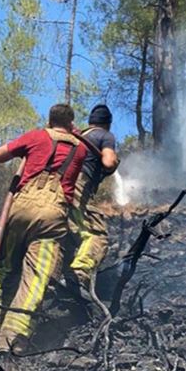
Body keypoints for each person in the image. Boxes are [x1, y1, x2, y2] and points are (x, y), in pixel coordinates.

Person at [0, 103, 87, 355]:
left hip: (19, 209)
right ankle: (13, 338)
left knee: (6, 266)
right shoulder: (80, 147)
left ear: (49, 120)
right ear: (71, 123)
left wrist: (26, 147)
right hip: (52, 214)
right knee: (36, 277)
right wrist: (76, 134)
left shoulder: (35, 136)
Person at [67, 104, 119, 292]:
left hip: (55, 188)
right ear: (108, 124)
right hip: (79, 186)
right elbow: (108, 162)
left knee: (67, 233)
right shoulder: (104, 135)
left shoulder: (78, 136)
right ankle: (79, 275)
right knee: (97, 235)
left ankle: (60, 276)